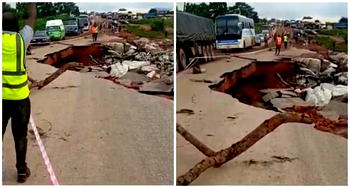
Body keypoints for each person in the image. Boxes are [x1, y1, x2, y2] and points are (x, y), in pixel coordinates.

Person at [2, 3, 36, 183]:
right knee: (20, 136)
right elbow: (32, 18)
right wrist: (32, 3)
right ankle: (21, 171)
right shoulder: (22, 38)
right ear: (17, 26)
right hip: (20, 98)